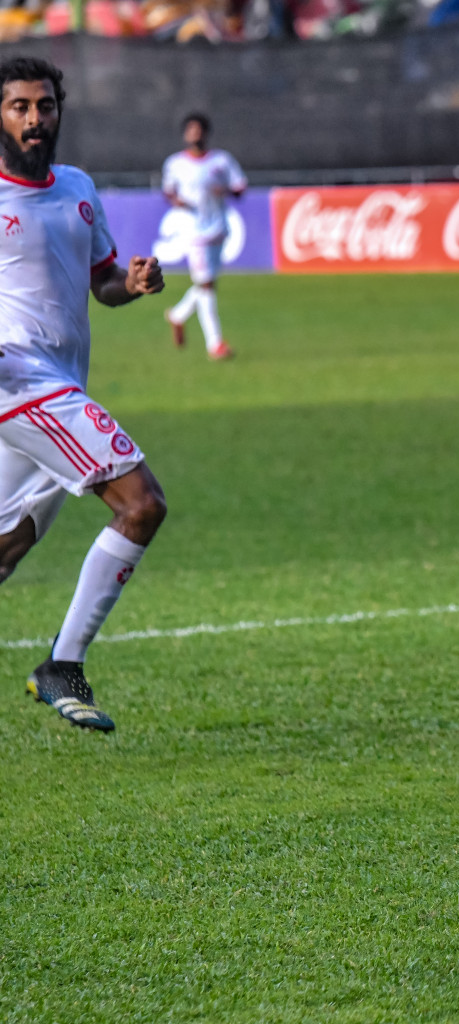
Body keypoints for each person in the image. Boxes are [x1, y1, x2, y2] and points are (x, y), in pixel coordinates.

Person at [0, 57, 168, 732]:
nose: (34, 119)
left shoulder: (77, 188)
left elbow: (101, 281)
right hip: (20, 384)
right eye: (18, 107)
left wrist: (134, 282)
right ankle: (62, 666)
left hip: (60, 388)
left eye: (44, 106)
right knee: (142, 503)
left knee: (8, 544)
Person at [161, 112, 245, 361]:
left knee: (207, 284)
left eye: (199, 129)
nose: (195, 134)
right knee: (206, 286)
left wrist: (226, 190)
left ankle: (178, 314)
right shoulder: (175, 163)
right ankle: (215, 345)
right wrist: (178, 201)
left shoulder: (221, 160)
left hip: (218, 227)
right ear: (185, 134)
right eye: (191, 130)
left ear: (206, 133)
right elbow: (168, 191)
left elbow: (240, 187)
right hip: (193, 230)